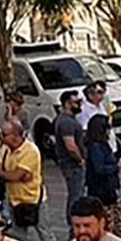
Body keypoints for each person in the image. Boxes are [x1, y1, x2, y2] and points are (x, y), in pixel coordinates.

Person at [0, 118, 59, 241]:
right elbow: (0, 168)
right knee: (19, 237)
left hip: (33, 200)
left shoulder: (30, 150)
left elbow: (13, 176)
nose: (1, 137)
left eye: (4, 134)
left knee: (45, 234)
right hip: (15, 200)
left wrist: (7, 175)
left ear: (15, 135)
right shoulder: (6, 149)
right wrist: (7, 174)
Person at [84, 114, 121, 240]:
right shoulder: (95, 147)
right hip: (102, 190)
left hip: (109, 188)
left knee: (118, 220)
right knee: (109, 221)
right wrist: (117, 166)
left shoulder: (102, 145)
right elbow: (99, 169)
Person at [54, 90, 86, 224]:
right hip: (72, 165)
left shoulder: (68, 120)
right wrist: (80, 160)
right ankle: (73, 221)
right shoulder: (66, 122)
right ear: (67, 104)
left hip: (71, 164)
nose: (79, 105)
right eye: (76, 102)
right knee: (76, 194)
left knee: (77, 192)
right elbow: (70, 146)